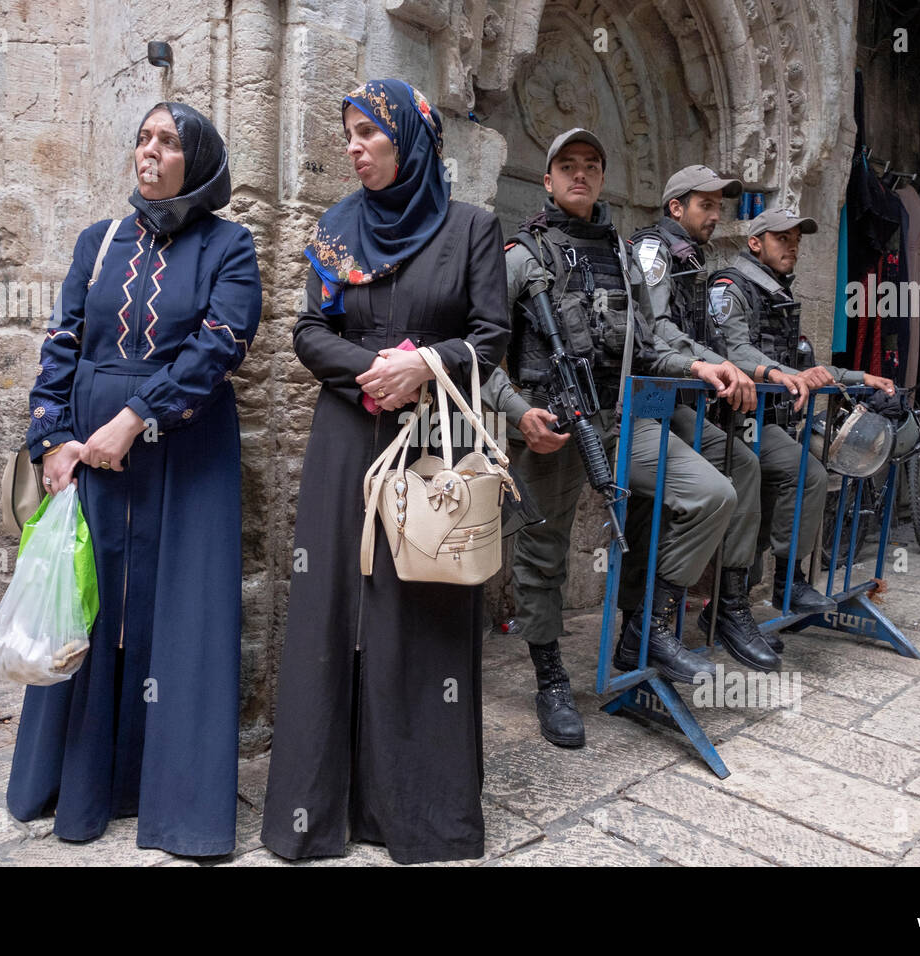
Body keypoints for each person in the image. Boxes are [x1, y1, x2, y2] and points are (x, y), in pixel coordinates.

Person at [260, 79, 510, 864]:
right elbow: (307, 331)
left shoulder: (471, 228)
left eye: (370, 131)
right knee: (333, 606)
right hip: (349, 432)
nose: (355, 146)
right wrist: (377, 369)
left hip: (432, 442)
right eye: (347, 133)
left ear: (411, 137)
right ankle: (316, 810)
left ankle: (420, 816)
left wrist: (427, 366)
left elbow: (493, 336)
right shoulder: (337, 229)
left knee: (421, 610)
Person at [9, 102, 263, 856]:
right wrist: (52, 437)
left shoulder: (230, 246)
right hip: (89, 453)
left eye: (167, 141)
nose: (148, 152)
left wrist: (136, 416)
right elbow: (63, 339)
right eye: (143, 138)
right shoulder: (100, 241)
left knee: (182, 610)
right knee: (90, 603)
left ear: (199, 160)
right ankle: (85, 788)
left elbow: (222, 343)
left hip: (186, 448)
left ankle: (177, 804)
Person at [483, 129, 748, 748]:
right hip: (548, 425)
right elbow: (479, 353)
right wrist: (521, 414)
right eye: (567, 166)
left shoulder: (625, 257)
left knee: (712, 495)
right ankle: (551, 679)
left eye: (592, 166)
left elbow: (650, 343)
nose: (580, 175)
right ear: (547, 180)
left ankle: (645, 627)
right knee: (542, 558)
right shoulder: (521, 255)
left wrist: (697, 367)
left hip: (616, 420)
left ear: (603, 178)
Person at [706, 207, 895, 642]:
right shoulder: (730, 287)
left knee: (780, 496)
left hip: (765, 420)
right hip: (730, 420)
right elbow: (734, 351)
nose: (792, 247)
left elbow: (804, 366)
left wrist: (860, 377)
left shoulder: (776, 292)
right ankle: (770, 592)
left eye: (796, 240)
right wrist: (784, 376)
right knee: (803, 475)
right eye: (781, 239)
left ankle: (743, 606)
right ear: (755, 243)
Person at [630, 165, 782, 670]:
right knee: (669, 500)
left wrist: (732, 364)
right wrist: (716, 364)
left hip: (676, 395)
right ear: (677, 208)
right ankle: (646, 629)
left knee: (743, 465)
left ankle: (730, 604)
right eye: (706, 205)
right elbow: (658, 331)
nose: (716, 215)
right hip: (649, 395)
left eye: (720, 206)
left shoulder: (692, 257)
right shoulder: (654, 251)